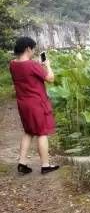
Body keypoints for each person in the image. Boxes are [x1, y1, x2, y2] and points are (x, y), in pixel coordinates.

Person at [9, 37, 59, 174]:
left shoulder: (13, 64)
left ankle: (22, 162)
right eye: (33, 49)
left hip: (23, 103)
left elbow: (26, 72)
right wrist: (47, 65)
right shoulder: (32, 65)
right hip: (36, 103)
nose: (34, 52)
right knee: (42, 133)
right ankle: (45, 165)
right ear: (28, 49)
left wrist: (37, 65)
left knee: (28, 131)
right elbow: (50, 79)